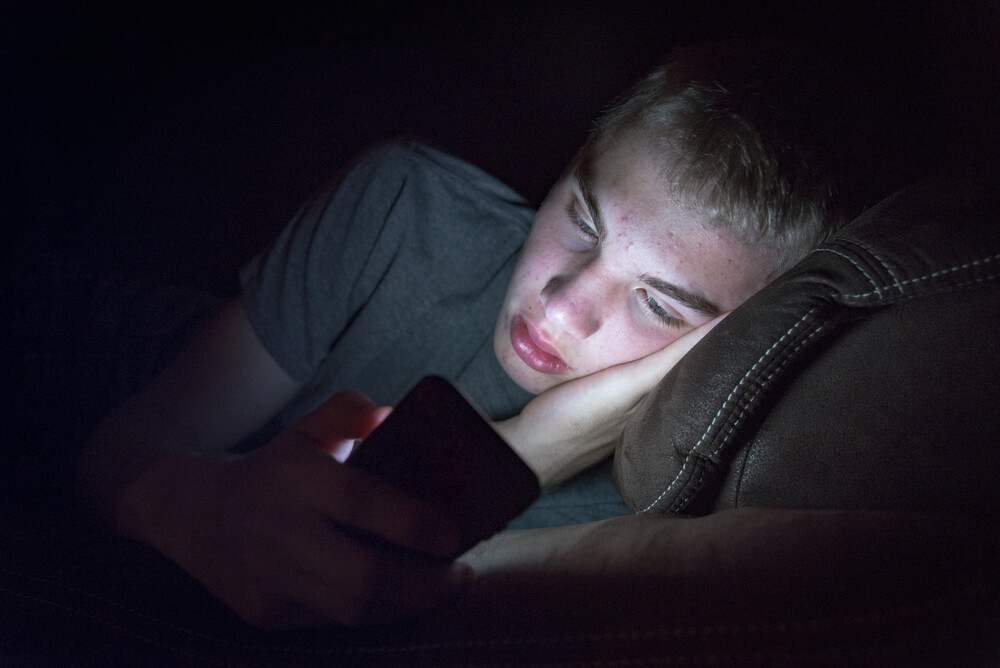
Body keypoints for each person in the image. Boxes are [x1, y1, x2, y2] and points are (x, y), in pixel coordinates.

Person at [75, 42, 841, 629]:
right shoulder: (404, 210)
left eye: (660, 306)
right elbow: (130, 437)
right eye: (582, 219)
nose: (562, 306)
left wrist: (527, 450)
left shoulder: (675, 509)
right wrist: (177, 500)